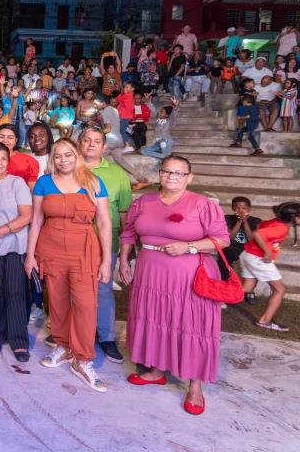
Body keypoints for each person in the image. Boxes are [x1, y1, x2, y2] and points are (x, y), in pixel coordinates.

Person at [120, 155, 229, 415]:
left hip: (188, 274)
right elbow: (128, 233)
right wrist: (124, 260)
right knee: (155, 319)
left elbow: (222, 239)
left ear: (189, 178)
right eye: (167, 171)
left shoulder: (202, 204)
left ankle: (194, 386)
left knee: (191, 325)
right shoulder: (144, 202)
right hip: (150, 273)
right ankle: (157, 370)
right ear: (160, 174)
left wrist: (188, 246)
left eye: (179, 173)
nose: (172, 177)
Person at [25, 139, 112, 393]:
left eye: (68, 155)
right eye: (58, 156)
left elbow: (104, 223)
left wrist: (107, 260)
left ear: (77, 156)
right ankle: (63, 346)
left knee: (86, 304)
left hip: (84, 249)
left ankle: (83, 359)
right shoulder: (44, 182)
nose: (63, 160)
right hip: (50, 248)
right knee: (57, 301)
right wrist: (30, 255)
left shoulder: (93, 182)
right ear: (53, 159)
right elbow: (37, 221)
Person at [79, 128, 132, 364]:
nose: (91, 144)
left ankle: (106, 337)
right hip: (72, 242)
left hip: (104, 242)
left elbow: (123, 214)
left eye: (96, 141)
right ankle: (75, 333)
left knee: (103, 289)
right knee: (73, 289)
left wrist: (124, 249)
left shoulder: (117, 174)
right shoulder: (68, 168)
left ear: (104, 147)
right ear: (80, 144)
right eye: (87, 140)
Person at [0, 142, 32, 362]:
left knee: (15, 291)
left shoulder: (16, 183)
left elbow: (26, 216)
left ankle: (19, 340)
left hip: (13, 245)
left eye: (3, 158)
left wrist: (0, 232)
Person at [240, 202, 300, 333]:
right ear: (294, 218)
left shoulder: (276, 222)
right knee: (280, 290)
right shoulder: (282, 228)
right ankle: (264, 321)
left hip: (248, 255)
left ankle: (214, 296)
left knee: (247, 288)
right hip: (259, 259)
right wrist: (267, 251)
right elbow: (258, 233)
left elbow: (260, 228)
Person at [0, 124, 39, 189]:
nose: (5, 140)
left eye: (10, 138)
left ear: (16, 140)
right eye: (1, 137)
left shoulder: (28, 161)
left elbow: (32, 190)